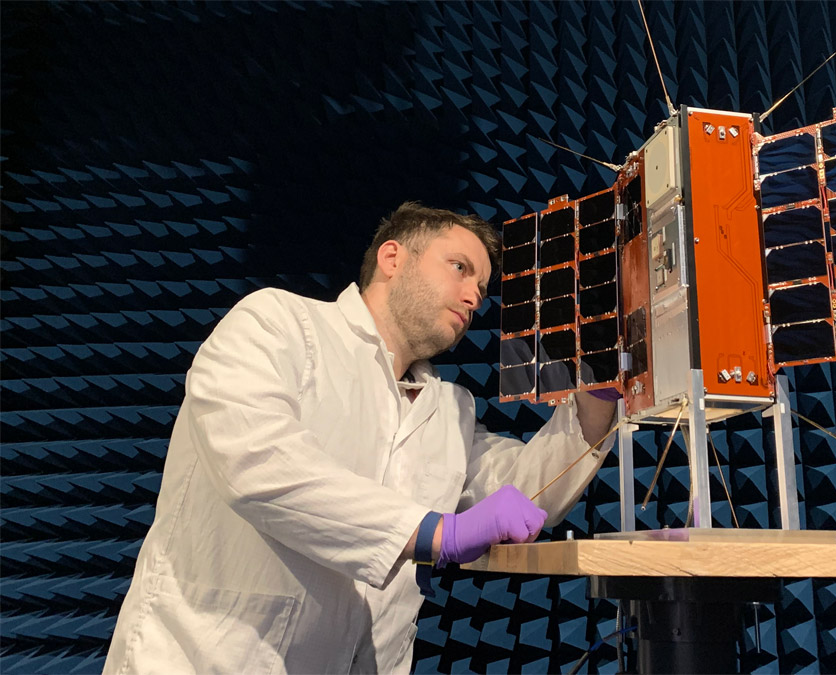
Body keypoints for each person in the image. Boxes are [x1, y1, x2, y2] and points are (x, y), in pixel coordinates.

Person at [103, 202, 618, 674]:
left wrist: (601, 390)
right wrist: (434, 533)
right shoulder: (278, 324)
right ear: (393, 257)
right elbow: (257, 463)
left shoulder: (449, 407)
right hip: (205, 659)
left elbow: (526, 491)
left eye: (481, 288)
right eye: (460, 268)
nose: (473, 296)